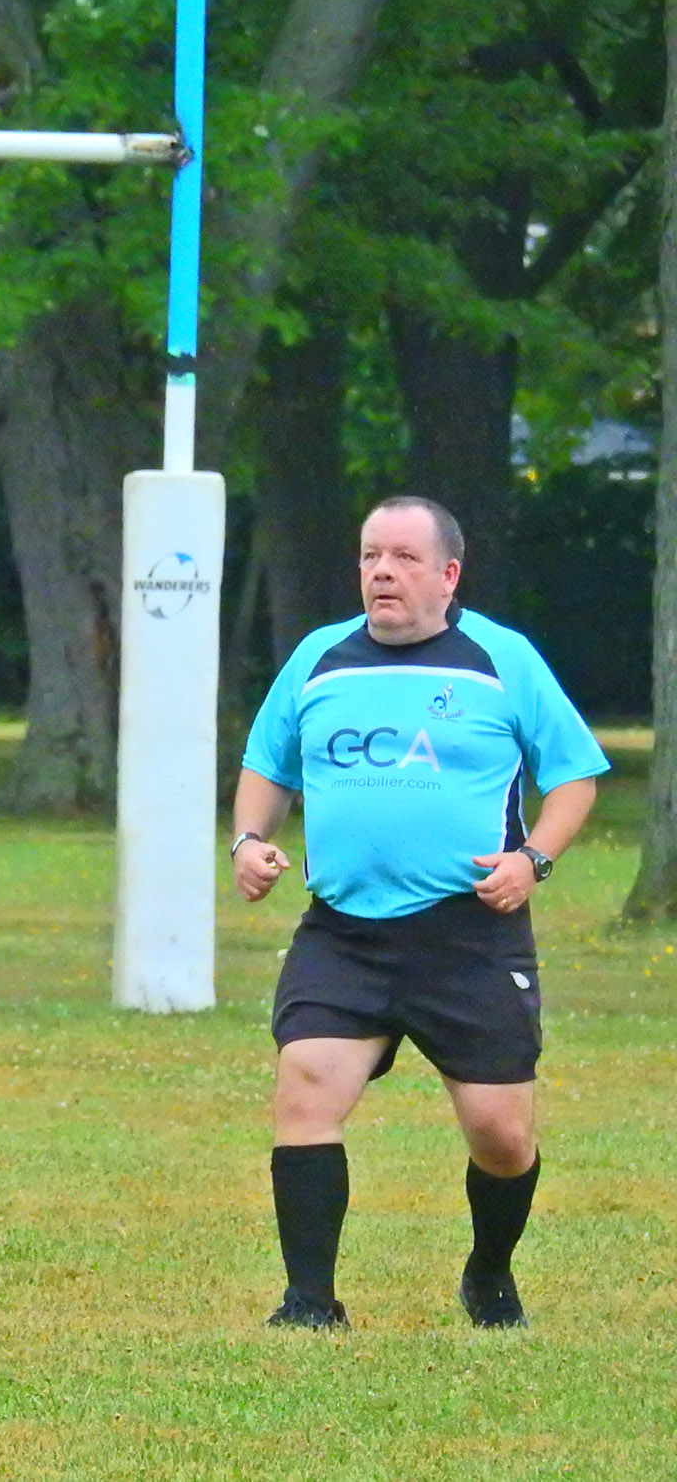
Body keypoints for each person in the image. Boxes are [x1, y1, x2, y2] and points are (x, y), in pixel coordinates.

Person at [234, 496, 607, 1331]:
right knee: (305, 1089)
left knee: (502, 1137)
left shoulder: (502, 658)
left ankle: (489, 1272)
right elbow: (267, 764)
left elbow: (575, 776)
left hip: (467, 935)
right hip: (344, 932)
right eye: (370, 557)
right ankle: (310, 1302)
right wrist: (248, 842)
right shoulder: (318, 658)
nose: (381, 573)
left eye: (402, 558)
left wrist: (532, 860)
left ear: (448, 573)